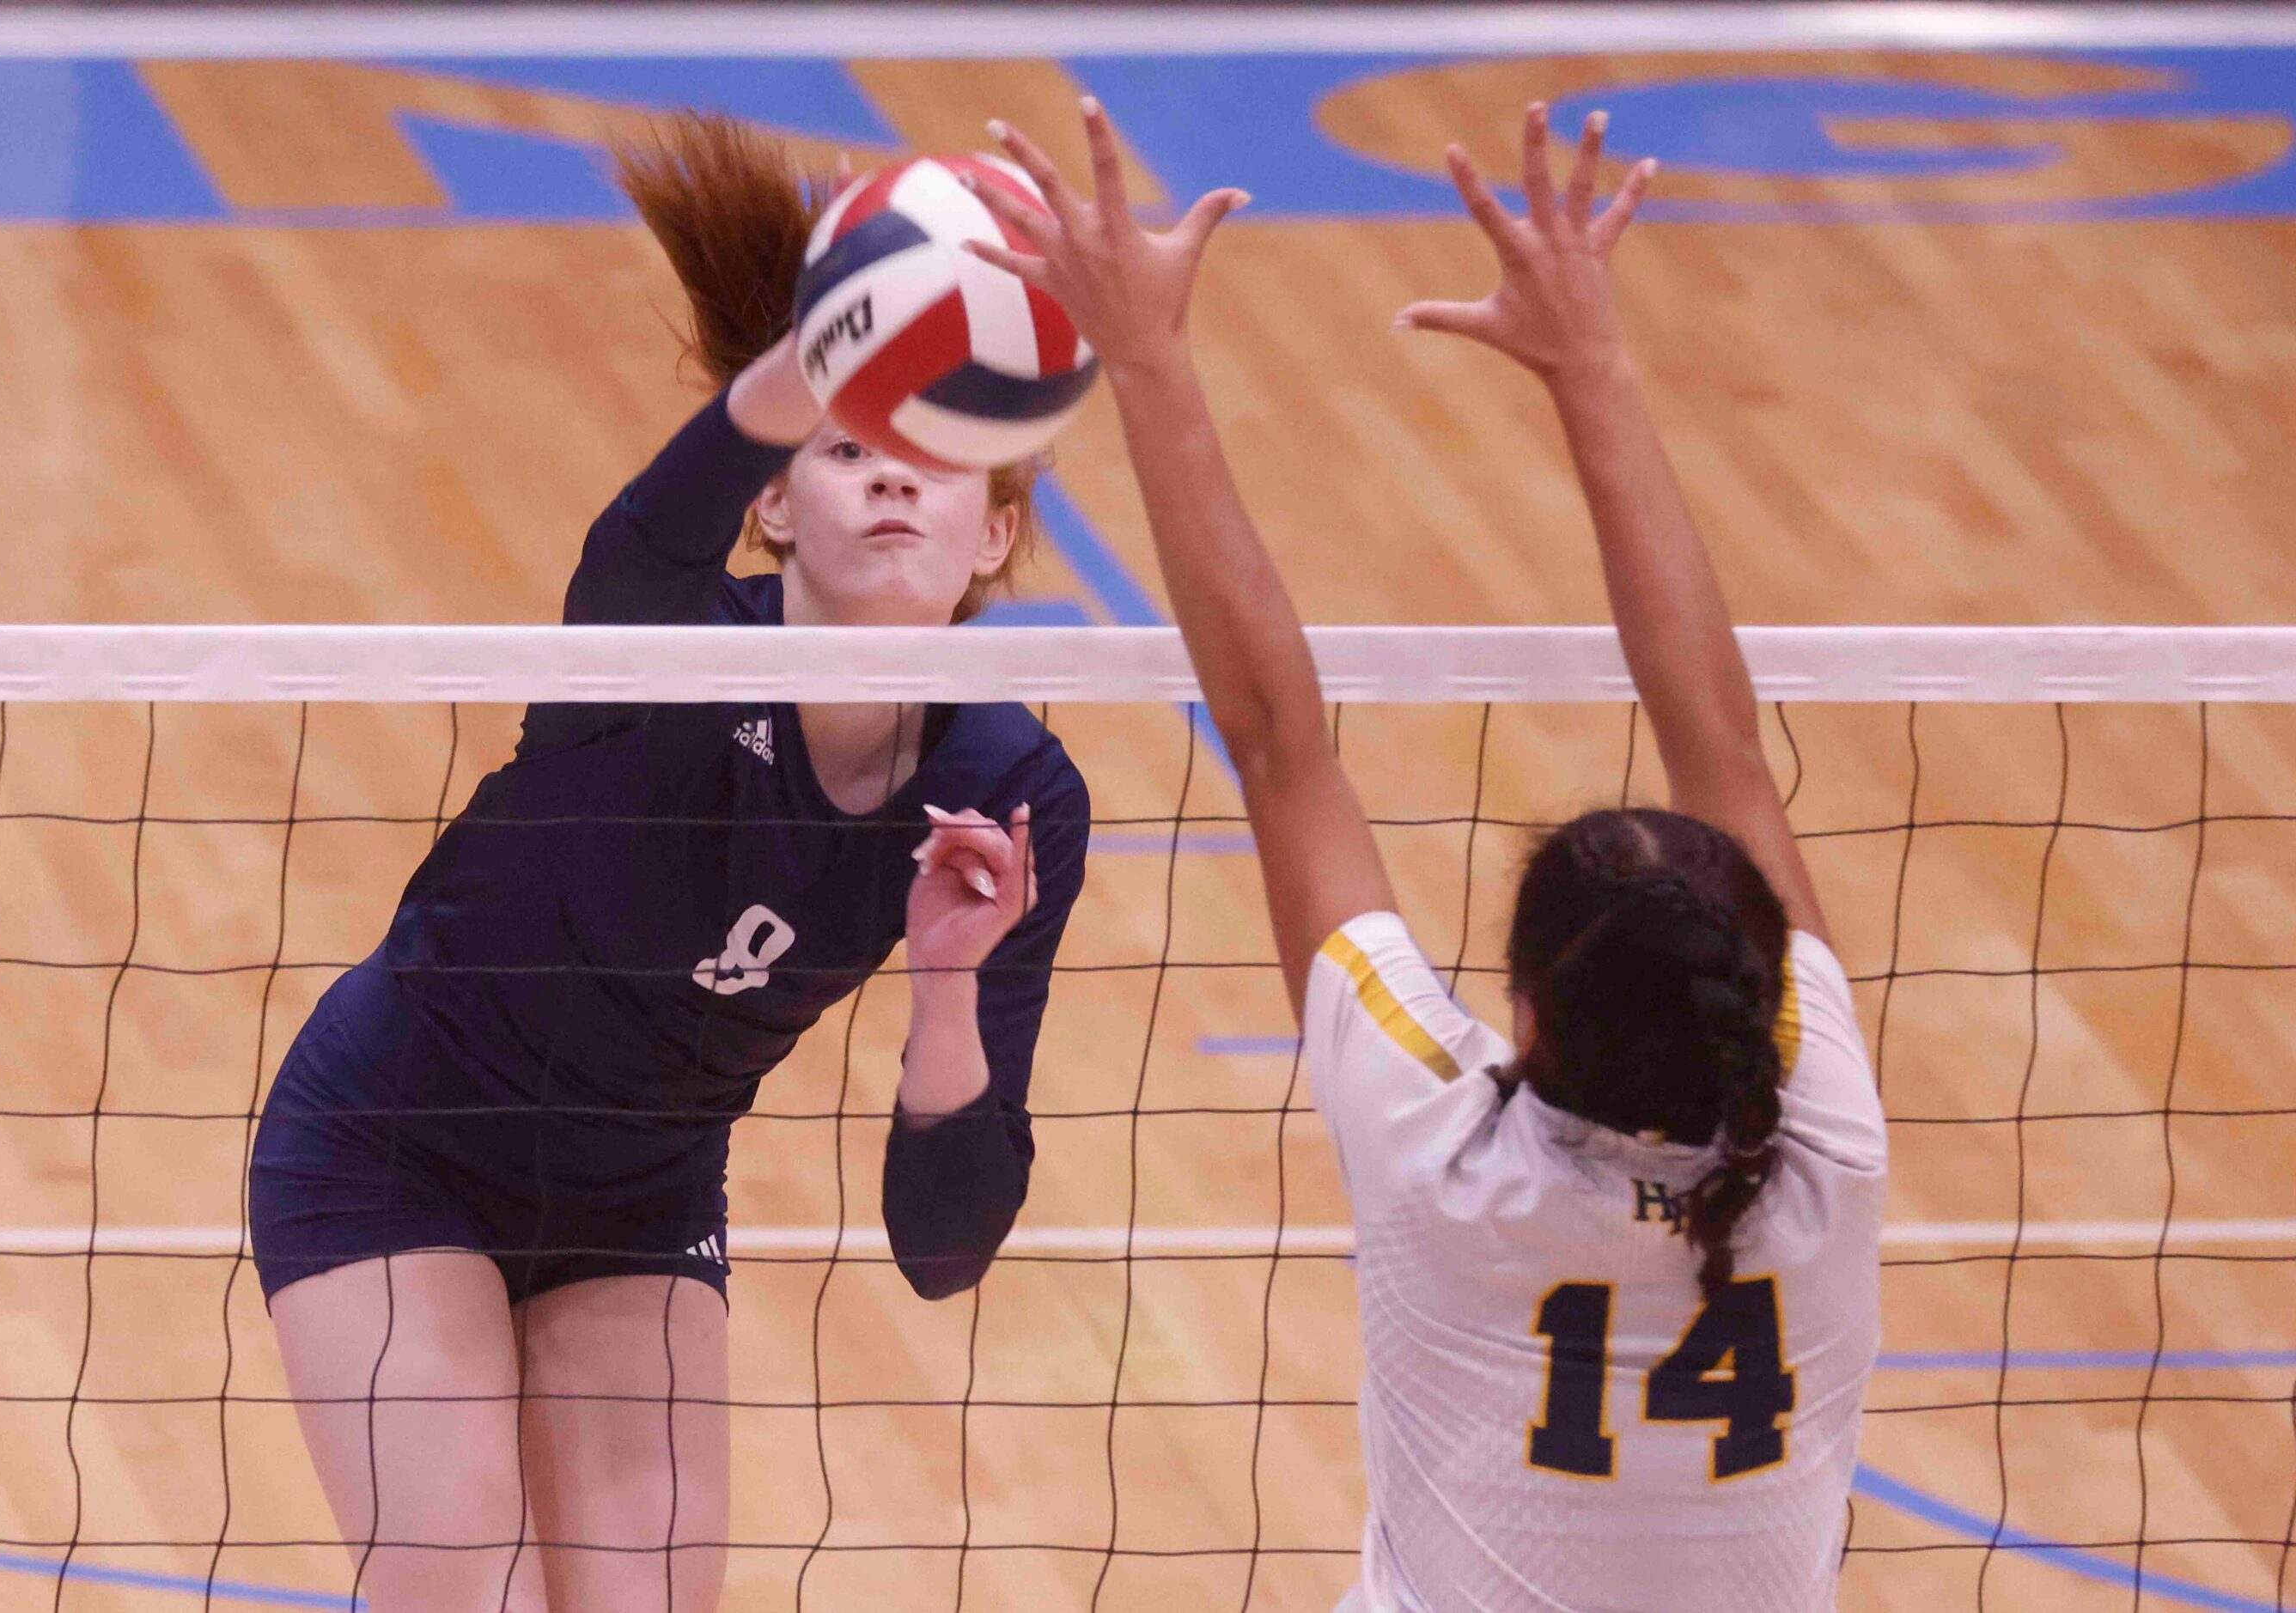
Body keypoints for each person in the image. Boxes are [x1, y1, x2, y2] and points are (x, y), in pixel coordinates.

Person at [963, 100, 1884, 1611]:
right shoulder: (1829, 1148)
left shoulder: (1448, 1166)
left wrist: (1144, 355)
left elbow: (1274, 734)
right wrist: (1596, 366)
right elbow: (1723, 739)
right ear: (1762, 993)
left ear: (1522, 1017)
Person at [247, 113, 1091, 1613]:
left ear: (994, 531)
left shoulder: (1009, 791)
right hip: (392, 1142)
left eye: (934, 463)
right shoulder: (653, 647)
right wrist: (820, 350)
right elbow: (646, 524)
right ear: (774, 503)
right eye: (846, 446)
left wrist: (948, 986)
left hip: (635, 1198)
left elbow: (943, 1248)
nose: (892, 480)